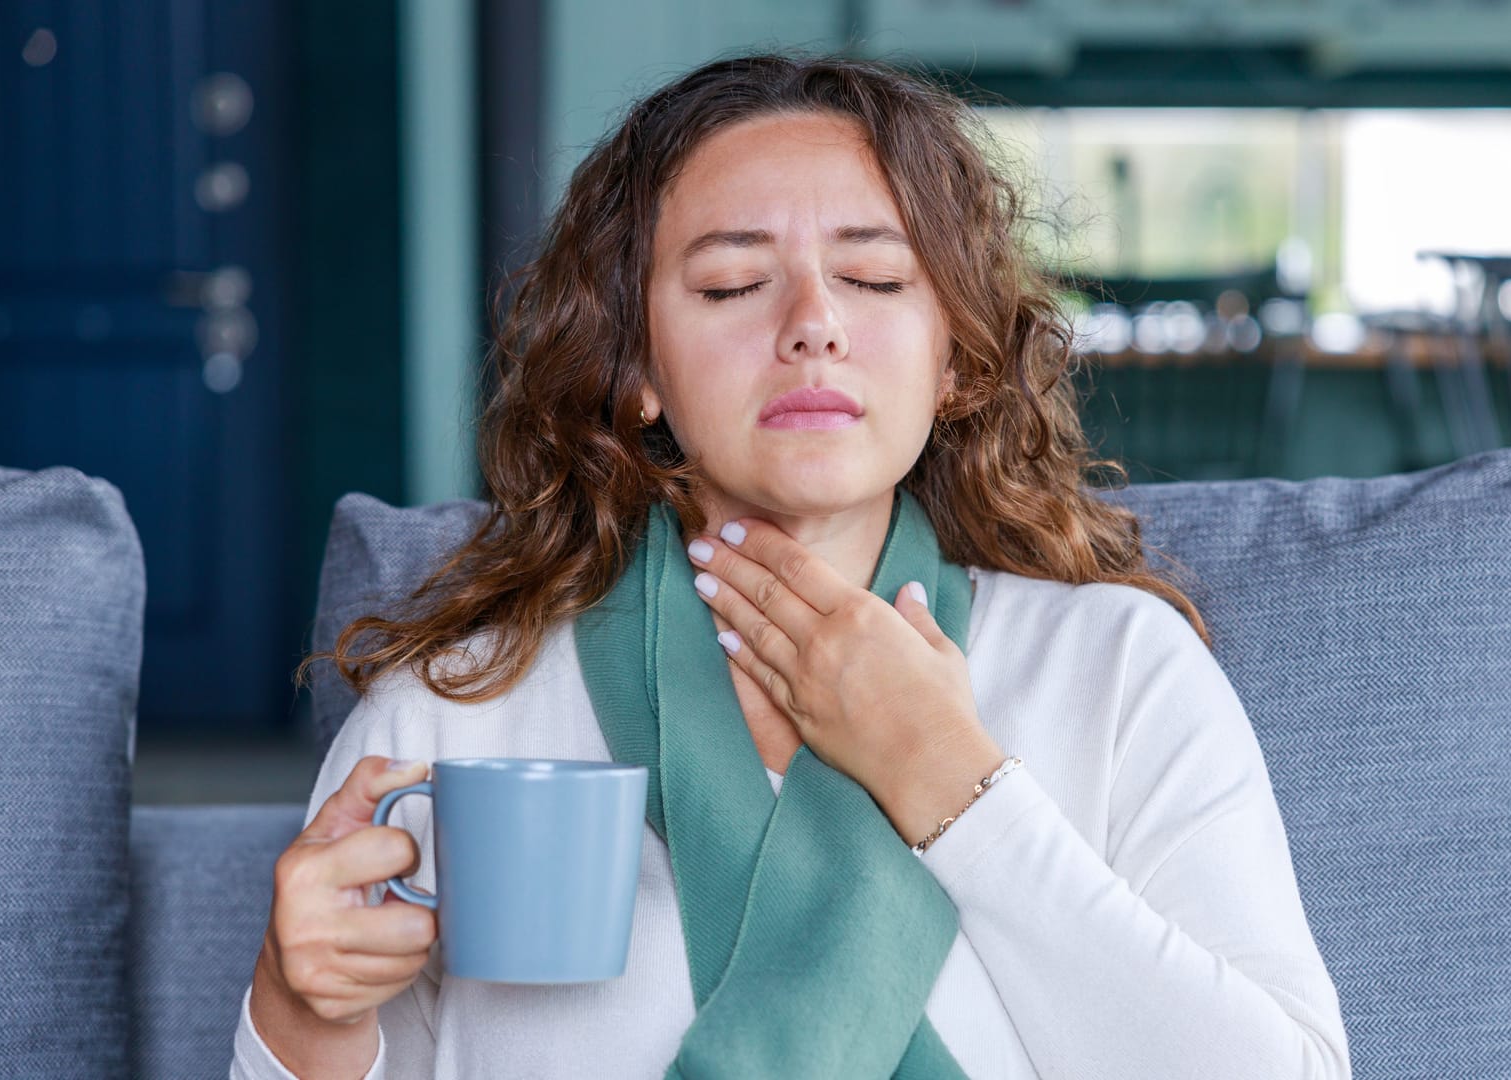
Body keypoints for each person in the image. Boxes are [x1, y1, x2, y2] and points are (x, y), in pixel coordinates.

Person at [232, 48, 1351, 1080]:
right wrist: (304, 1012)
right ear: (638, 372)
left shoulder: (1117, 671)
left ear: (955, 358)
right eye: (730, 286)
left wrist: (954, 785)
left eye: (873, 280)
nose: (814, 324)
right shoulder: (455, 712)